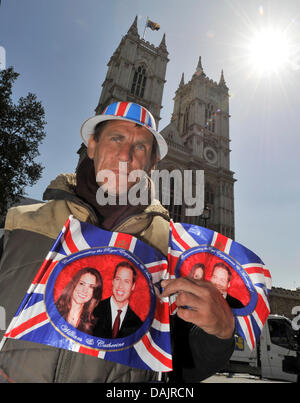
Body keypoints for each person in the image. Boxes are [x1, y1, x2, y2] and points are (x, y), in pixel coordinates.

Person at [0, 101, 235, 383]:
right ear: (92, 145)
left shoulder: (171, 249)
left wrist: (219, 334)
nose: (125, 155)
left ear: (152, 162)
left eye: (140, 146)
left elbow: (178, 366)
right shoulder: (18, 224)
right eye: (116, 138)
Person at [93, 261, 142, 338]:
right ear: (112, 281)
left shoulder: (138, 324)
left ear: (133, 286)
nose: (120, 286)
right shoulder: (93, 310)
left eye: (126, 281)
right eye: (118, 279)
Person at [56, 267, 103, 334]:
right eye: (82, 284)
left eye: (91, 287)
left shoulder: (94, 324)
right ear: (73, 284)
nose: (84, 290)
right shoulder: (53, 311)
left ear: (94, 293)